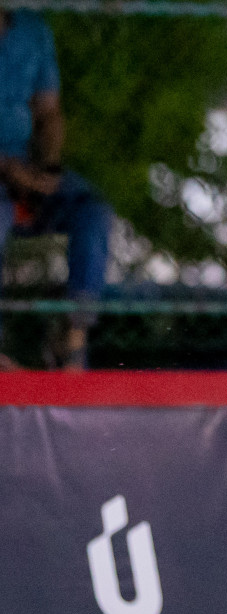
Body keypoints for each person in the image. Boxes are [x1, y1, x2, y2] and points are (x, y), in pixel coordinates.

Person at [0, 10, 112, 370]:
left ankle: (72, 338)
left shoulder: (32, 29)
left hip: (26, 172)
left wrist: (45, 168)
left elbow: (49, 112)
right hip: (7, 174)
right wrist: (9, 169)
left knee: (90, 209)